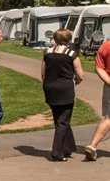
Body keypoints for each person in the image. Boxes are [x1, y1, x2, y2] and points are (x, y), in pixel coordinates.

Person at [41, 28, 85, 161]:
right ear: (68, 39)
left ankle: (67, 147)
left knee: (59, 118)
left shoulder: (48, 53)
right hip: (65, 88)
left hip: (50, 87)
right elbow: (80, 75)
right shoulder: (71, 54)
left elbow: (43, 73)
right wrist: (76, 82)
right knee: (63, 121)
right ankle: (57, 152)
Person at [84, 39, 110, 161]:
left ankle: (92, 146)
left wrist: (109, 81)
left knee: (108, 118)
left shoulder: (105, 46)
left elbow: (99, 68)